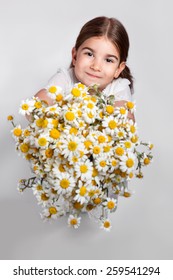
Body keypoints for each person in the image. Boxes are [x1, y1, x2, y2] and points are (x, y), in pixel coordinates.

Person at [35, 16, 134, 120]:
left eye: (108, 60)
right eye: (89, 54)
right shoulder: (66, 78)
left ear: (118, 69)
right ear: (74, 56)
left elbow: (125, 121)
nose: (96, 66)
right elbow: (37, 104)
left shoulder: (118, 88)